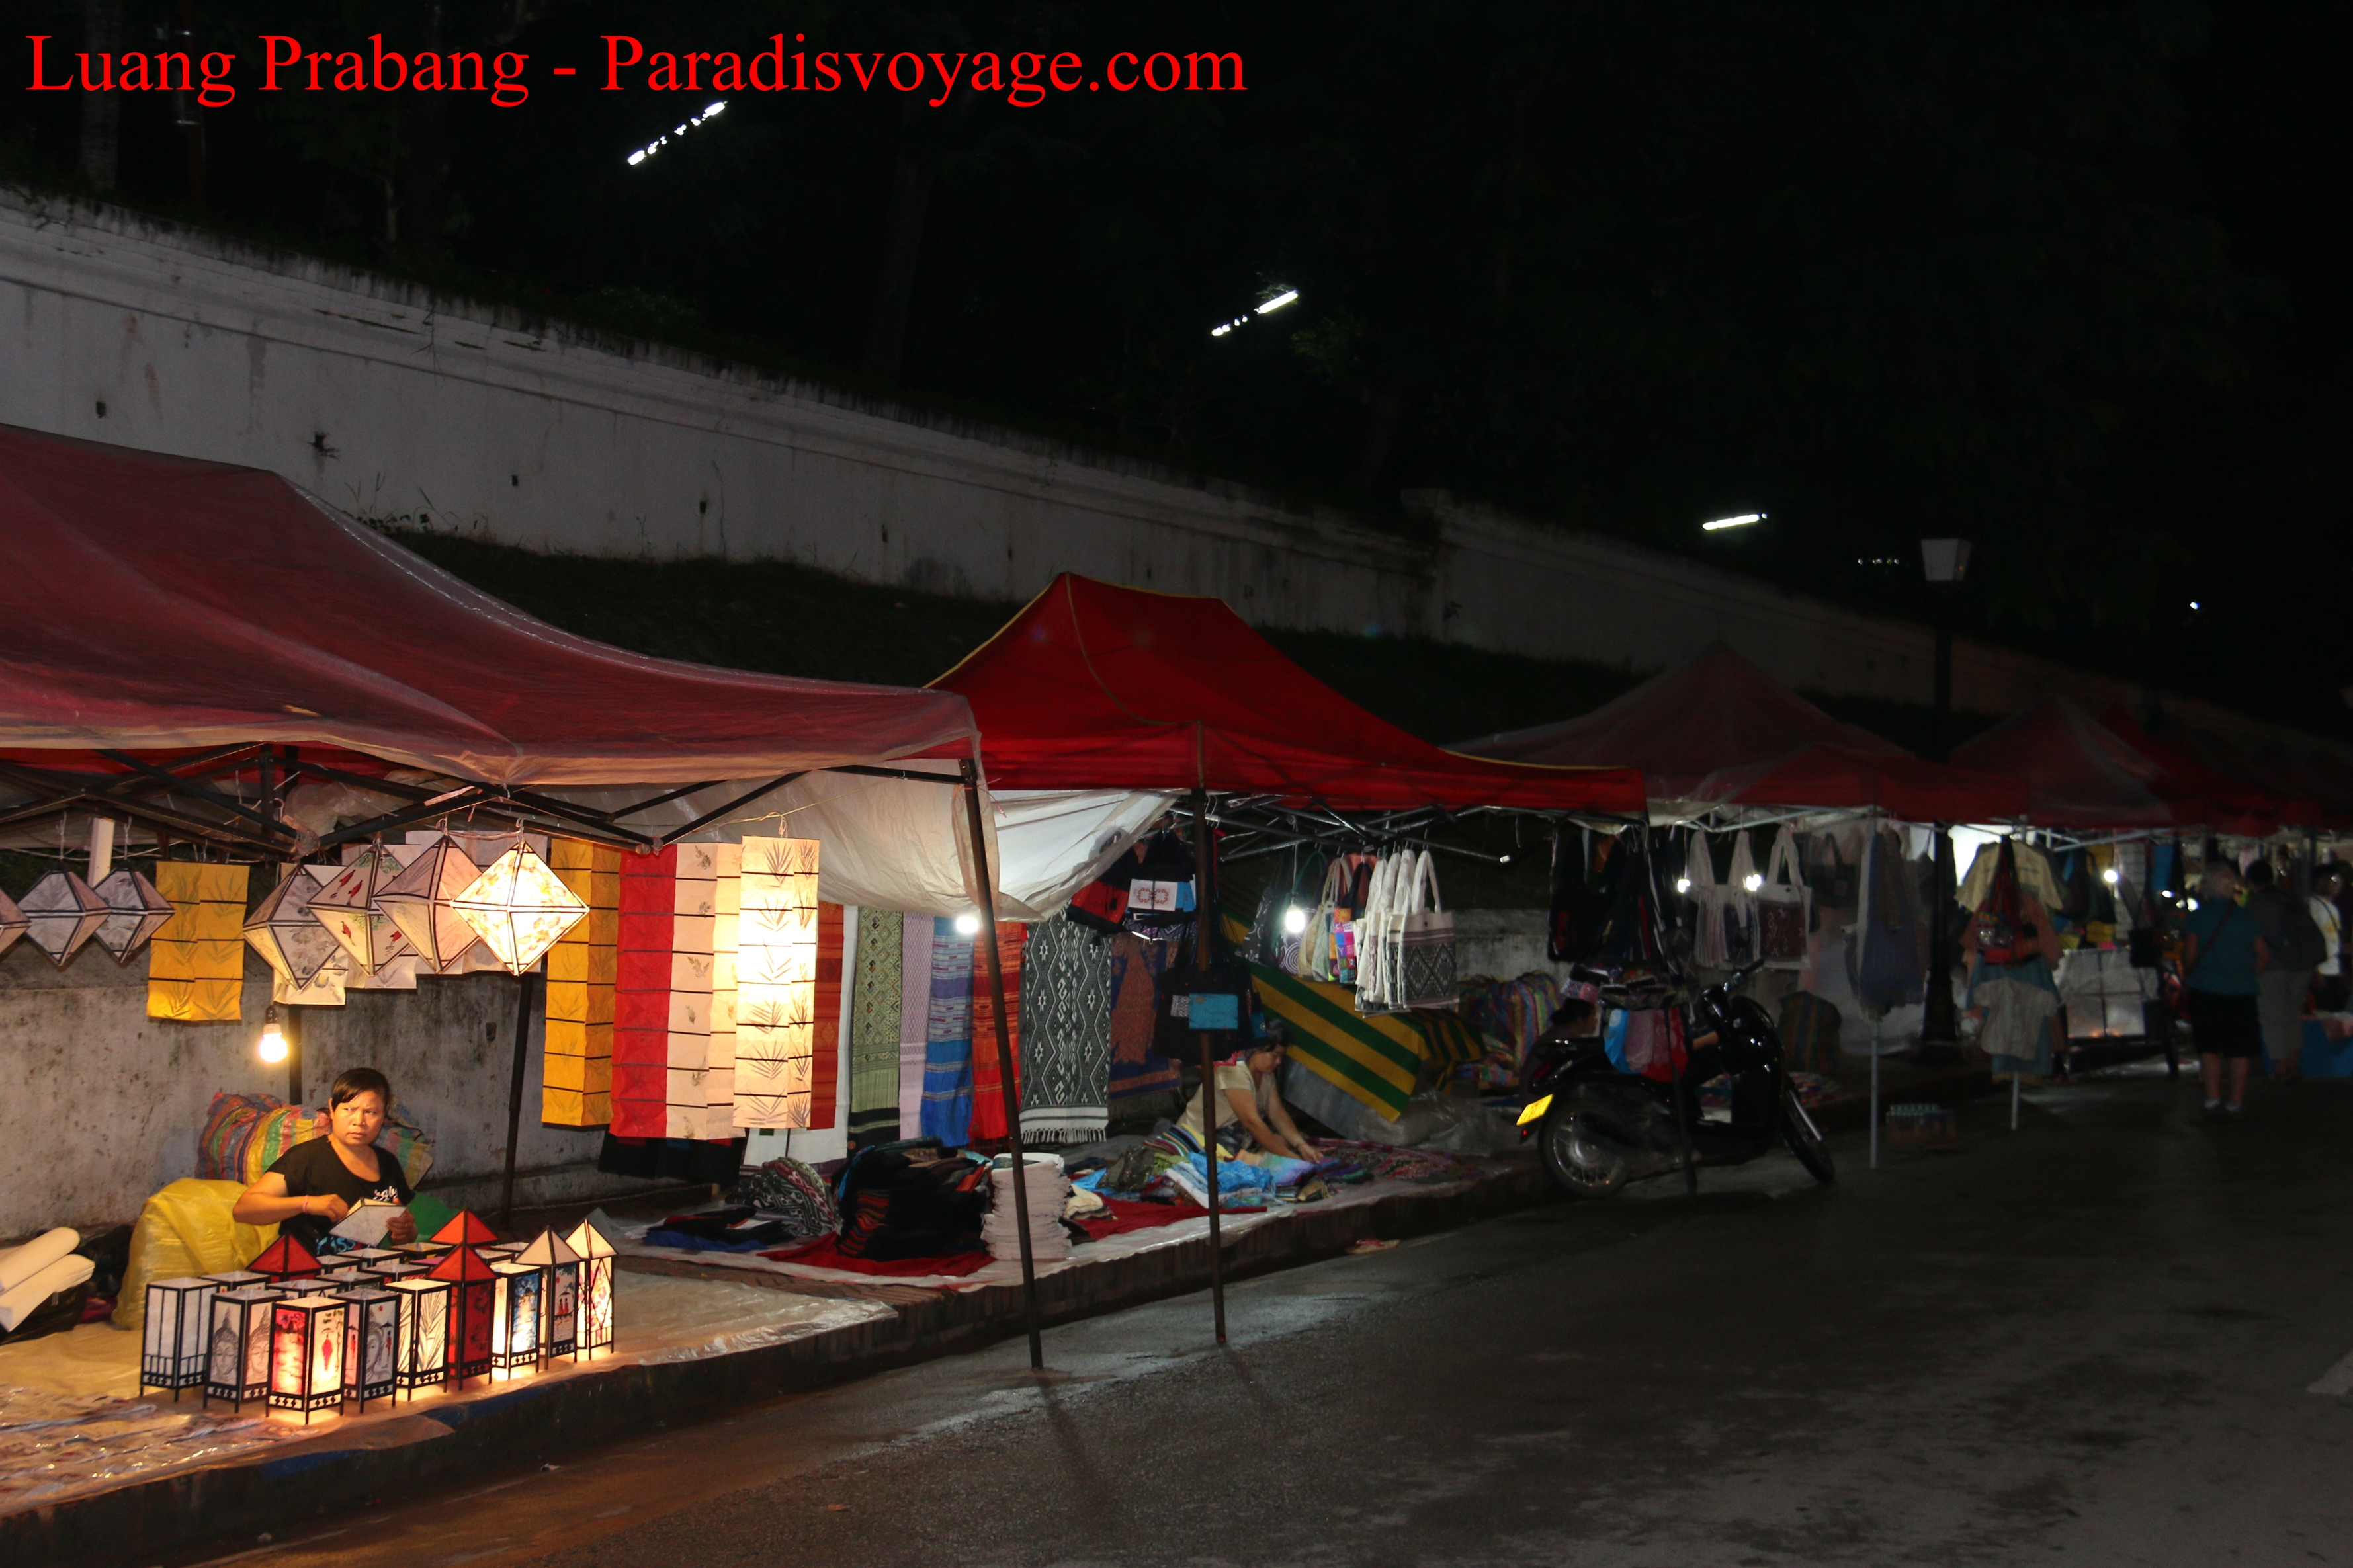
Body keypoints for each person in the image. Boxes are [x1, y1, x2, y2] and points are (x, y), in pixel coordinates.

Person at [233, 1068, 419, 1254]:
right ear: (332, 1109)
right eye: (349, 1110)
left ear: (383, 1114)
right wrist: (307, 1203)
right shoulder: (306, 1158)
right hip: (305, 1276)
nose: (359, 1121)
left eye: (371, 1112)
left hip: (361, 1273)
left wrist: (405, 1231)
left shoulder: (388, 1163)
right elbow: (244, 1209)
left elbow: (405, 1238)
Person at [1959, 841, 2065, 1083]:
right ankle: (2031, 1069)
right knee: (2030, 1024)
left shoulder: (1990, 905)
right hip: (2027, 970)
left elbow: (1973, 943)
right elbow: (2051, 946)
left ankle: (2008, 1069)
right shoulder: (2030, 902)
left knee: (2005, 1024)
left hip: (1998, 970)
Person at [2179, 862, 2264, 1115]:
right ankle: (2235, 1099)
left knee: (2209, 1048)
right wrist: (2249, 975)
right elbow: (2263, 954)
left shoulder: (2198, 917)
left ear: (2205, 888)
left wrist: (2192, 974)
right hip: (2242, 991)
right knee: (2240, 1050)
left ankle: (2213, 1096)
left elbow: (2189, 955)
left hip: (2206, 990)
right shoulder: (2246, 917)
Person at [2242, 859, 2317, 1081]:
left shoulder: (2255, 905)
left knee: (2273, 1018)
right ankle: (2294, 1064)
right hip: (2300, 967)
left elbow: (2250, 941)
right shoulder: (2290, 898)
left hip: (2271, 968)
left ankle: (2281, 1067)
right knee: (2293, 1015)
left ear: (2250, 881)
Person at [1180, 1046, 1322, 1163]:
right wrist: (1290, 1157)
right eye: (1274, 1055)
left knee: (1283, 1139)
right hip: (1202, 1137)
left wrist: (1301, 1145)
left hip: (1238, 1137)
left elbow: (1277, 1114)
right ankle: (1254, 1161)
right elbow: (1251, 1122)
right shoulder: (1233, 1069)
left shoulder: (1267, 1076)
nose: (1278, 1062)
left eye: (1281, 1057)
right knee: (1225, 1155)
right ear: (1258, 1050)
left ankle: (1256, 1160)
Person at [2311, 863, 2348, 1014]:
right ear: (2320, 881)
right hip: (2321, 973)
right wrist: (2316, 972)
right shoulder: (2313, 906)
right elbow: (2310, 942)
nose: (2337, 884)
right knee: (2322, 1015)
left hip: (2334, 970)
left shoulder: (2333, 908)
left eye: (2339, 880)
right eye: (2334, 879)